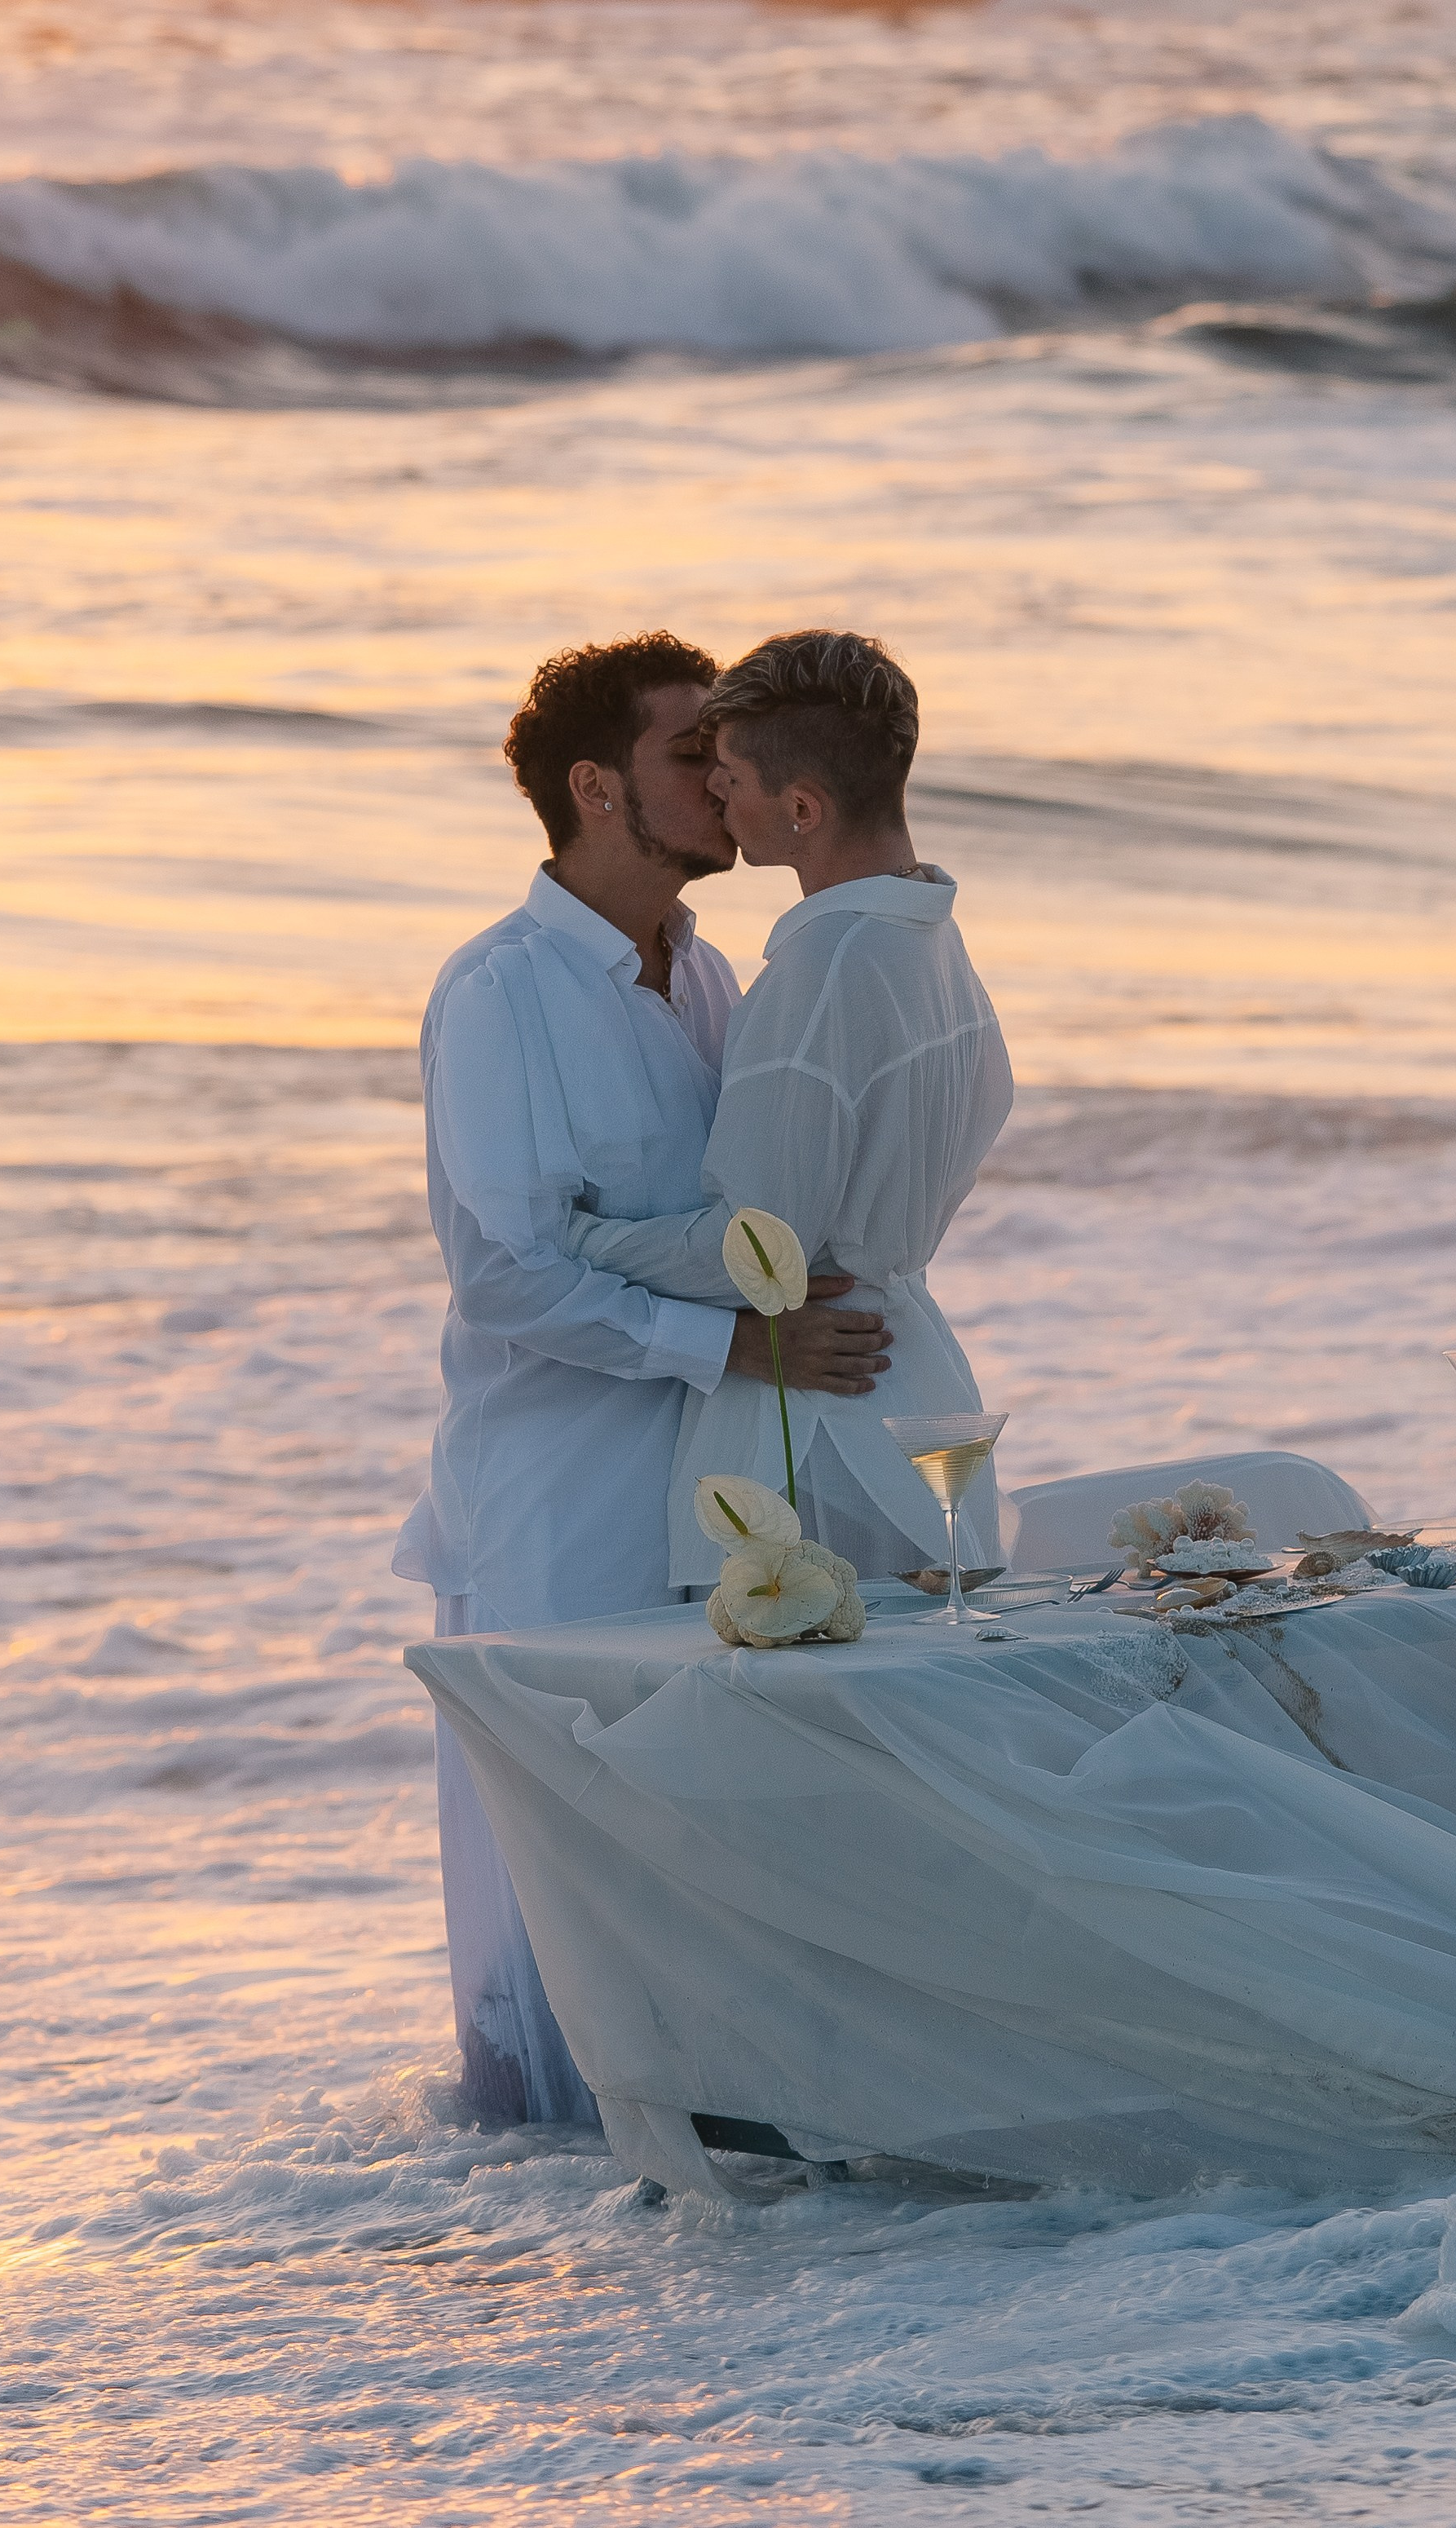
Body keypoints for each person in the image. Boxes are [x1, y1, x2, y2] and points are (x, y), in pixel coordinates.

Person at [394, 632, 893, 2126]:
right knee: (559, 1883)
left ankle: (721, 2162)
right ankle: (546, 2197)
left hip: (705, 1483)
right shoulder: (501, 991)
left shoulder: (710, 974)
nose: (726, 782)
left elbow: (732, 1224)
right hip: (554, 1494)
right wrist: (737, 1344)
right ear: (595, 787)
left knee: (691, 1850)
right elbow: (505, 1273)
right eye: (693, 756)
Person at [562, 630, 1014, 1589]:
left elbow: (758, 1246)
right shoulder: (935, 945)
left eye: (729, 776)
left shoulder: (821, 972)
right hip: (914, 1388)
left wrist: (584, 1240)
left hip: (815, 1432)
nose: (714, 794)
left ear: (801, 808)